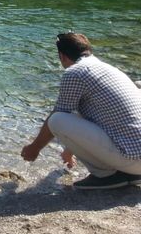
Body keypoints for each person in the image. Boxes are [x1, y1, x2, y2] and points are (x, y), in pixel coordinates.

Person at [21, 31, 141, 190]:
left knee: (56, 120)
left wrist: (34, 148)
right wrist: (69, 150)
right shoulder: (107, 68)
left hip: (133, 160)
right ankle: (127, 172)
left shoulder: (75, 72)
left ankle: (106, 175)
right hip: (136, 156)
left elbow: (58, 118)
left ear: (62, 56)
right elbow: (91, 117)